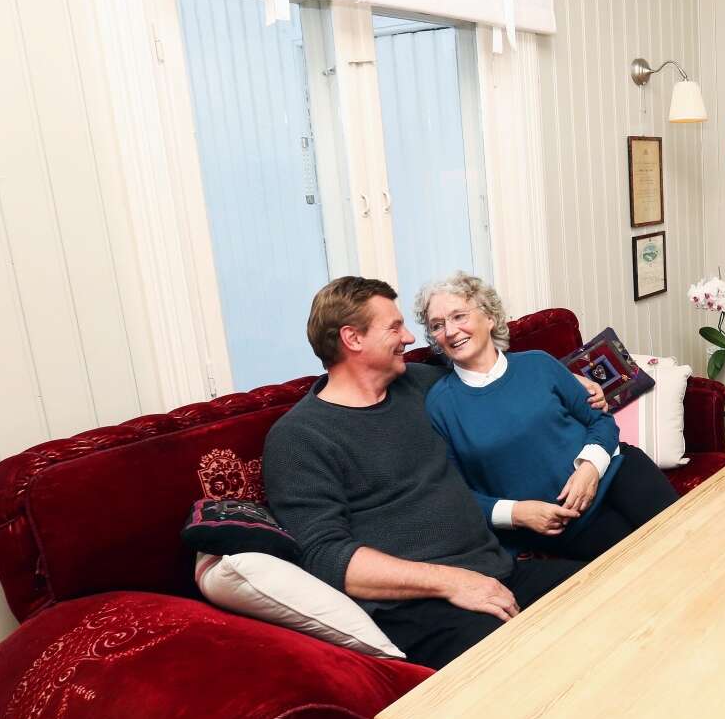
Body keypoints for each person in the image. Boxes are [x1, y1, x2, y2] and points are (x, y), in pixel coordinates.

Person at [263, 276, 600, 670]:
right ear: (352, 338)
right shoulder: (299, 437)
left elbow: (496, 380)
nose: (409, 338)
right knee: (530, 662)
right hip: (420, 607)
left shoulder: (419, 385)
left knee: (608, 593)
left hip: (498, 570)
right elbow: (326, 557)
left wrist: (570, 382)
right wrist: (451, 582)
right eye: (394, 327)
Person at [418, 272, 679, 562]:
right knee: (648, 566)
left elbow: (601, 421)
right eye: (437, 325)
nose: (450, 331)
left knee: (686, 535)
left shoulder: (538, 363)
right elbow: (456, 495)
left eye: (459, 316)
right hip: (568, 524)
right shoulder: (439, 406)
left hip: (618, 473)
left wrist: (590, 468)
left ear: (489, 317)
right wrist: (516, 513)